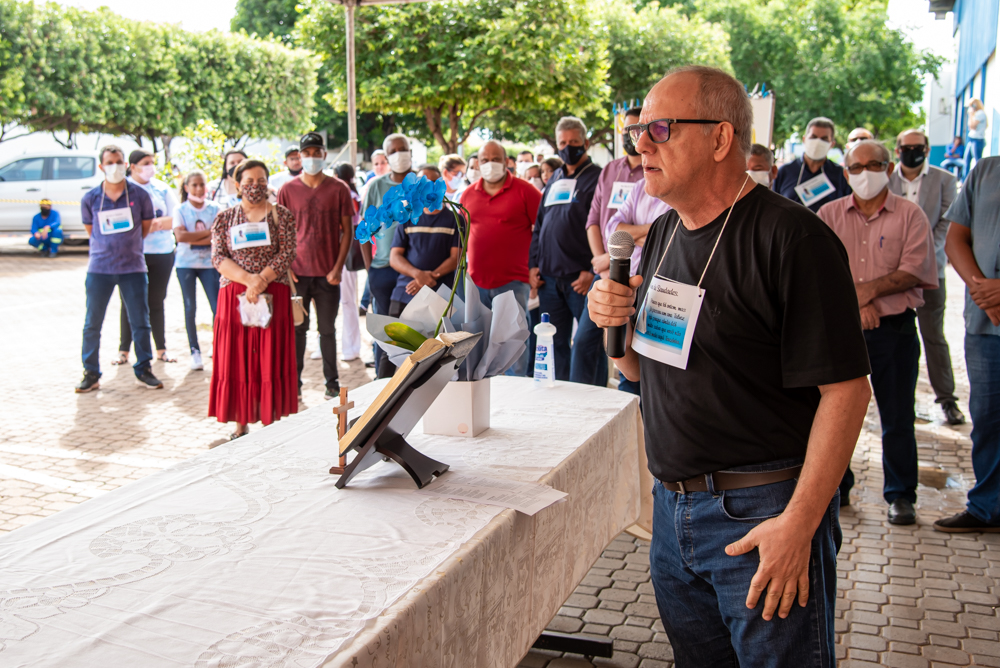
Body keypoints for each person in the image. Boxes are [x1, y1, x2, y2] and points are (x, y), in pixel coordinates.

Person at [589, 66, 872, 666]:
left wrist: (799, 526)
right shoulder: (664, 232)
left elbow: (847, 392)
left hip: (762, 516)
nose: (640, 144)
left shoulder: (793, 239)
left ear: (720, 139)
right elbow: (647, 373)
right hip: (673, 514)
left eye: (660, 128)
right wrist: (613, 322)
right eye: (638, 129)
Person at [818, 139, 938, 523]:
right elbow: (816, 273)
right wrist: (856, 305)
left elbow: (914, 269)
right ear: (845, 172)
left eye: (873, 165)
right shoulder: (828, 214)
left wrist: (867, 295)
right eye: (856, 167)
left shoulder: (910, 215)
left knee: (897, 416)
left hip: (894, 330)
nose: (864, 174)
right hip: (840, 330)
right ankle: (838, 486)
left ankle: (901, 494)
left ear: (888, 169)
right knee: (832, 413)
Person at [210, 159, 298, 439]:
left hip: (274, 293)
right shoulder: (224, 218)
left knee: (270, 355)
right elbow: (218, 257)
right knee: (237, 357)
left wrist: (261, 280)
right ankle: (240, 424)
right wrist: (249, 280)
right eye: (248, 182)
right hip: (235, 295)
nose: (254, 187)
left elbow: (287, 253)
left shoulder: (281, 215)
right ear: (237, 185)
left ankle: (270, 422)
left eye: (260, 181)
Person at [938, 156, 1000, 532]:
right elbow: (956, 237)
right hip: (984, 323)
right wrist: (981, 289)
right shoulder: (986, 171)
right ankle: (986, 507)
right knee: (988, 419)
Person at [889, 128, 965, 425]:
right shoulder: (886, 179)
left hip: (931, 272)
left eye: (917, 146)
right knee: (894, 338)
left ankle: (947, 399)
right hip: (892, 274)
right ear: (898, 150)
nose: (912, 151)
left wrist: (919, 258)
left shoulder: (945, 180)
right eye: (906, 147)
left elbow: (947, 224)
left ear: (927, 148)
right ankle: (895, 400)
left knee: (933, 337)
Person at [77, 145, 162, 393]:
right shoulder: (91, 198)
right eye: (110, 162)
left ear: (126, 165)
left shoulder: (140, 195)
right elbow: (91, 232)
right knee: (92, 323)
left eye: (119, 161)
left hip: (133, 268)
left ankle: (144, 368)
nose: (115, 166)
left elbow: (145, 227)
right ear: (102, 167)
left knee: (140, 321)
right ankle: (91, 372)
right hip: (99, 270)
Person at [277, 132, 353, 398]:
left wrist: (337, 268)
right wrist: (286, 271)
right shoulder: (287, 190)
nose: (310, 158)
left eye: (315, 152)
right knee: (298, 330)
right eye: (305, 153)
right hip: (297, 275)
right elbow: (281, 233)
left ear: (324, 154)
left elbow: (347, 231)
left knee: (327, 330)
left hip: (327, 275)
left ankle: (331, 383)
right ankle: (294, 384)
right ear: (299, 156)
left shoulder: (338, 188)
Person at [529, 116, 602, 382]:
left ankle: (595, 399)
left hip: (581, 279)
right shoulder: (555, 176)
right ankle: (560, 397)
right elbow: (539, 225)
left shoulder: (598, 177)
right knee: (555, 344)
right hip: (549, 279)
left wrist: (590, 271)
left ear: (586, 142)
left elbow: (603, 227)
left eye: (574, 142)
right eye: (562, 143)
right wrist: (533, 265)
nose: (568, 147)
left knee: (589, 346)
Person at [461, 140, 542, 376]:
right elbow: (463, 234)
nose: (490, 164)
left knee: (513, 342)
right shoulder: (468, 194)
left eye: (496, 159)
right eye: (485, 160)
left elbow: (543, 230)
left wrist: (536, 267)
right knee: (479, 343)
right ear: (477, 162)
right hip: (477, 283)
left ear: (507, 161)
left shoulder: (526, 191)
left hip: (514, 282)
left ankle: (517, 391)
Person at [578, 107, 645, 387]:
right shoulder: (611, 169)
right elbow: (595, 220)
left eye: (638, 130)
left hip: (636, 270)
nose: (633, 137)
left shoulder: (652, 174)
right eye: (628, 130)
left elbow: (653, 230)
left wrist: (610, 256)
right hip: (605, 269)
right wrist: (600, 260)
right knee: (584, 342)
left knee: (630, 349)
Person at [116, 149, 179, 367]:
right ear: (132, 166)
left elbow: (176, 219)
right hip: (133, 255)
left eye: (152, 162)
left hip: (162, 252)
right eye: (145, 163)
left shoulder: (162, 188)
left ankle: (160, 348)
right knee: (128, 302)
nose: (150, 167)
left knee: (156, 301)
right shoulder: (123, 189)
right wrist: (150, 225)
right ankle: (124, 350)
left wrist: (150, 225)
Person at [361, 133, 413, 378]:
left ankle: (412, 381)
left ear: (410, 151)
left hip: (414, 272)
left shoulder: (421, 184)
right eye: (393, 150)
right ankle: (383, 385)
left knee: (414, 329)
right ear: (386, 155)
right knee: (385, 332)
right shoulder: (376, 186)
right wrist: (370, 270)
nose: (399, 154)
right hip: (382, 270)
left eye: (403, 149)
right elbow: (363, 230)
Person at [389, 165, 461, 315]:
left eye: (434, 182)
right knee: (396, 337)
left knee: (437, 338)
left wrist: (428, 278)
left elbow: (457, 258)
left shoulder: (455, 219)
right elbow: (394, 257)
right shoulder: (407, 218)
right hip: (406, 291)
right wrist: (418, 275)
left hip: (441, 295)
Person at [172, 169, 221, 371]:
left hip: (210, 264)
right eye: (194, 185)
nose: (199, 188)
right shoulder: (180, 210)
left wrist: (195, 235)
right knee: (190, 307)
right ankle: (195, 351)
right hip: (186, 265)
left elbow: (219, 236)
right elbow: (180, 237)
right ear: (186, 187)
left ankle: (217, 346)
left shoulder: (215, 208)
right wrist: (208, 234)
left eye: (202, 184)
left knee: (217, 307)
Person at [773, 117, 852, 213]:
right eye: (813, 137)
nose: (818, 142)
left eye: (824, 139)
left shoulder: (841, 175)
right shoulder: (785, 172)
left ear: (832, 144)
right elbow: (774, 207)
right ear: (804, 139)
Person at [334, 162, 363, 362]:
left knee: (347, 301)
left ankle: (351, 347)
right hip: (340, 253)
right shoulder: (354, 195)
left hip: (345, 254)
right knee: (346, 301)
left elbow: (348, 224)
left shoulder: (350, 198)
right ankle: (349, 346)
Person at [964, 98, 988, 179]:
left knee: (978, 162)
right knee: (966, 161)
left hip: (977, 140)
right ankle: (965, 180)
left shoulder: (980, 113)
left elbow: (972, 126)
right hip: (972, 139)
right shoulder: (976, 114)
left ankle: (980, 180)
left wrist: (970, 115)